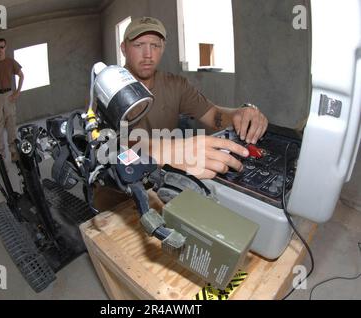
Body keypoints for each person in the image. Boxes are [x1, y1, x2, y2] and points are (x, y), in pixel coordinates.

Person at [94, 16, 269, 211]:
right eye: (138, 45)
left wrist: (239, 114)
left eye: (155, 45)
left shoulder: (176, 85)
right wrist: (168, 151)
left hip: (167, 186)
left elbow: (213, 115)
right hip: (119, 195)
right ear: (124, 48)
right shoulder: (105, 89)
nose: (148, 54)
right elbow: (104, 150)